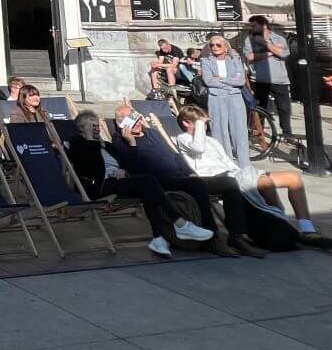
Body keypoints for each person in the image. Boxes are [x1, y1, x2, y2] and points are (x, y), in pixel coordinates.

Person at [173, 105, 332, 249]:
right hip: (217, 177)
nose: (204, 126)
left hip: (235, 172)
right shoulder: (183, 139)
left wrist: (242, 171)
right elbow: (198, 148)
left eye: (205, 124)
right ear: (187, 123)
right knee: (265, 183)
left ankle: (307, 229)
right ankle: (280, 222)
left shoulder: (211, 141)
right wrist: (200, 124)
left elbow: (227, 161)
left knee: (293, 178)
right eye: (200, 124)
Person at [111, 104, 264, 257]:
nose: (137, 122)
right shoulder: (119, 140)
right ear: (121, 124)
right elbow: (135, 169)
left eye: (137, 117)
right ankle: (213, 239)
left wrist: (190, 173)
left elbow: (176, 156)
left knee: (229, 183)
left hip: (181, 177)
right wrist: (131, 142)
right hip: (158, 181)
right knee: (197, 185)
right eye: (131, 120)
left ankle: (236, 236)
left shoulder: (152, 133)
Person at [65, 110, 215, 259]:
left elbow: (132, 165)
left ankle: (159, 238)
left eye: (97, 125)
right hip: (97, 186)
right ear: (81, 128)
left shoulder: (108, 146)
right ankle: (180, 224)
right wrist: (92, 141)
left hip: (117, 183)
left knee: (148, 188)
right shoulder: (77, 144)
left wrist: (127, 157)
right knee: (148, 181)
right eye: (92, 126)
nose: (97, 128)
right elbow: (85, 167)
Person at [199, 32, 252, 170]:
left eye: (218, 45)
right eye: (212, 45)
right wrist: (230, 80)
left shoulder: (235, 60)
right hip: (216, 98)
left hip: (235, 97)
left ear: (226, 47)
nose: (215, 47)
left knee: (239, 130)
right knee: (219, 130)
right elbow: (209, 81)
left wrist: (221, 79)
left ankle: (244, 164)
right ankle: (225, 163)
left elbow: (240, 81)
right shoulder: (206, 61)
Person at [239, 17, 293, 141]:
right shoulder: (250, 39)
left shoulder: (279, 38)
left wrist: (265, 44)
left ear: (264, 25)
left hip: (280, 79)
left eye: (254, 25)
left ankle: (287, 133)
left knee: (284, 107)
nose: (251, 28)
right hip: (259, 79)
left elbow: (284, 54)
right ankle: (258, 131)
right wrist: (271, 51)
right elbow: (249, 56)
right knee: (259, 107)